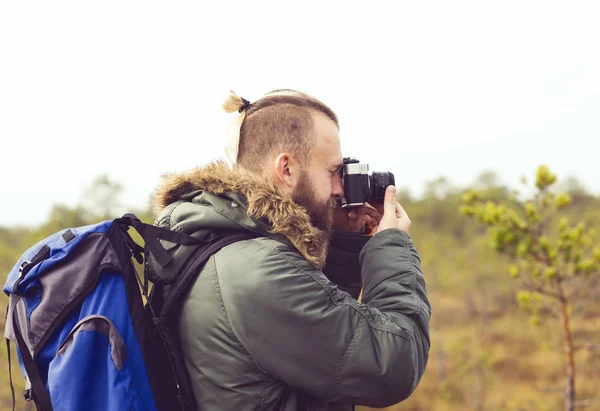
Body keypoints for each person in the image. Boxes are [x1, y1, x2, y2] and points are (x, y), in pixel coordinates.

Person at [150, 89, 431, 411]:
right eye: (332, 171)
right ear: (286, 169)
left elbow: (317, 341)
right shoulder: (256, 268)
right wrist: (390, 245)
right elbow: (392, 366)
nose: (340, 188)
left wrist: (345, 238)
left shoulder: (219, 242)